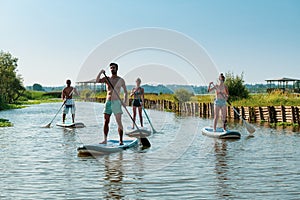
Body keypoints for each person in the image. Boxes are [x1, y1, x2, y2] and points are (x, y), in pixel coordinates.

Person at [96, 63, 128, 145]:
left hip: (117, 102)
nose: (112, 69)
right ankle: (105, 139)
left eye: (113, 68)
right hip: (108, 102)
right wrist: (100, 72)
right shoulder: (107, 79)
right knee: (106, 121)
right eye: (111, 68)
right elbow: (97, 81)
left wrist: (124, 101)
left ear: (117, 69)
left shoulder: (120, 80)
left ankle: (121, 140)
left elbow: (125, 92)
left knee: (119, 122)